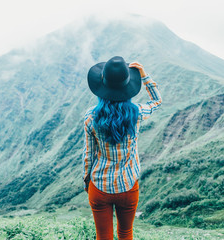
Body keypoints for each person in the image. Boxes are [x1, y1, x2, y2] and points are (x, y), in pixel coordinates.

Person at [82, 56, 162, 239]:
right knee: (126, 233)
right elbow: (157, 101)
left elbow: (89, 154)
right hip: (127, 186)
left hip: (99, 186)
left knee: (103, 236)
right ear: (128, 88)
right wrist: (144, 75)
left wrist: (87, 181)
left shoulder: (91, 117)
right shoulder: (137, 114)